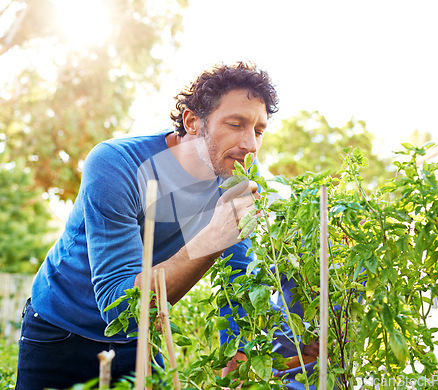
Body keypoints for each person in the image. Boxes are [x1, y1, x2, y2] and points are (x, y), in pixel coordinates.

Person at [15, 61, 279, 390]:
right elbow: (120, 307)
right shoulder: (117, 164)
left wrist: (237, 370)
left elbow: (239, 289)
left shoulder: (237, 180)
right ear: (193, 122)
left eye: (258, 131)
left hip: (143, 337)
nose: (251, 145)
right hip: (60, 331)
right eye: (236, 124)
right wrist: (215, 237)